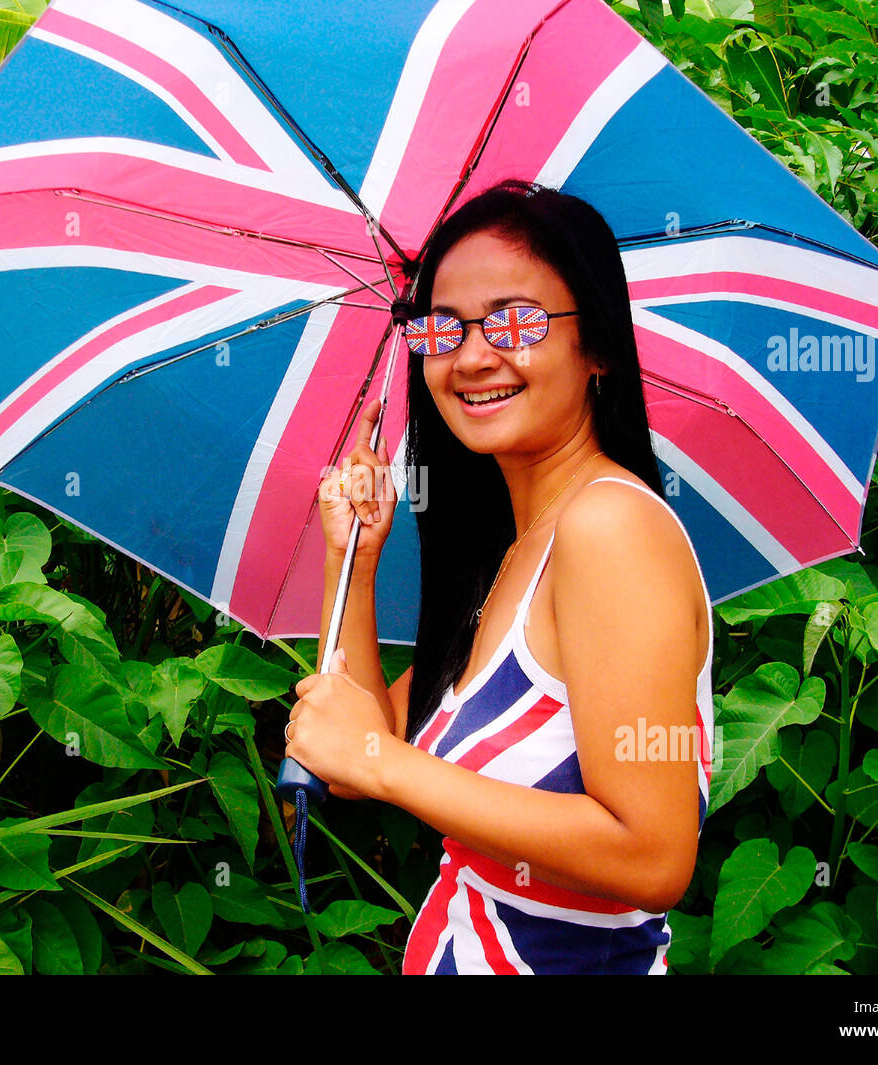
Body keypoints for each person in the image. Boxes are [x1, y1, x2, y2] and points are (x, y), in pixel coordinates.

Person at [283, 179, 714, 974]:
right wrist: (353, 560)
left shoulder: (608, 528)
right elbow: (358, 765)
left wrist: (381, 762)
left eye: (516, 320)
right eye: (443, 328)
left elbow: (654, 856)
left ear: (599, 349)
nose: (473, 355)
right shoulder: (509, 553)